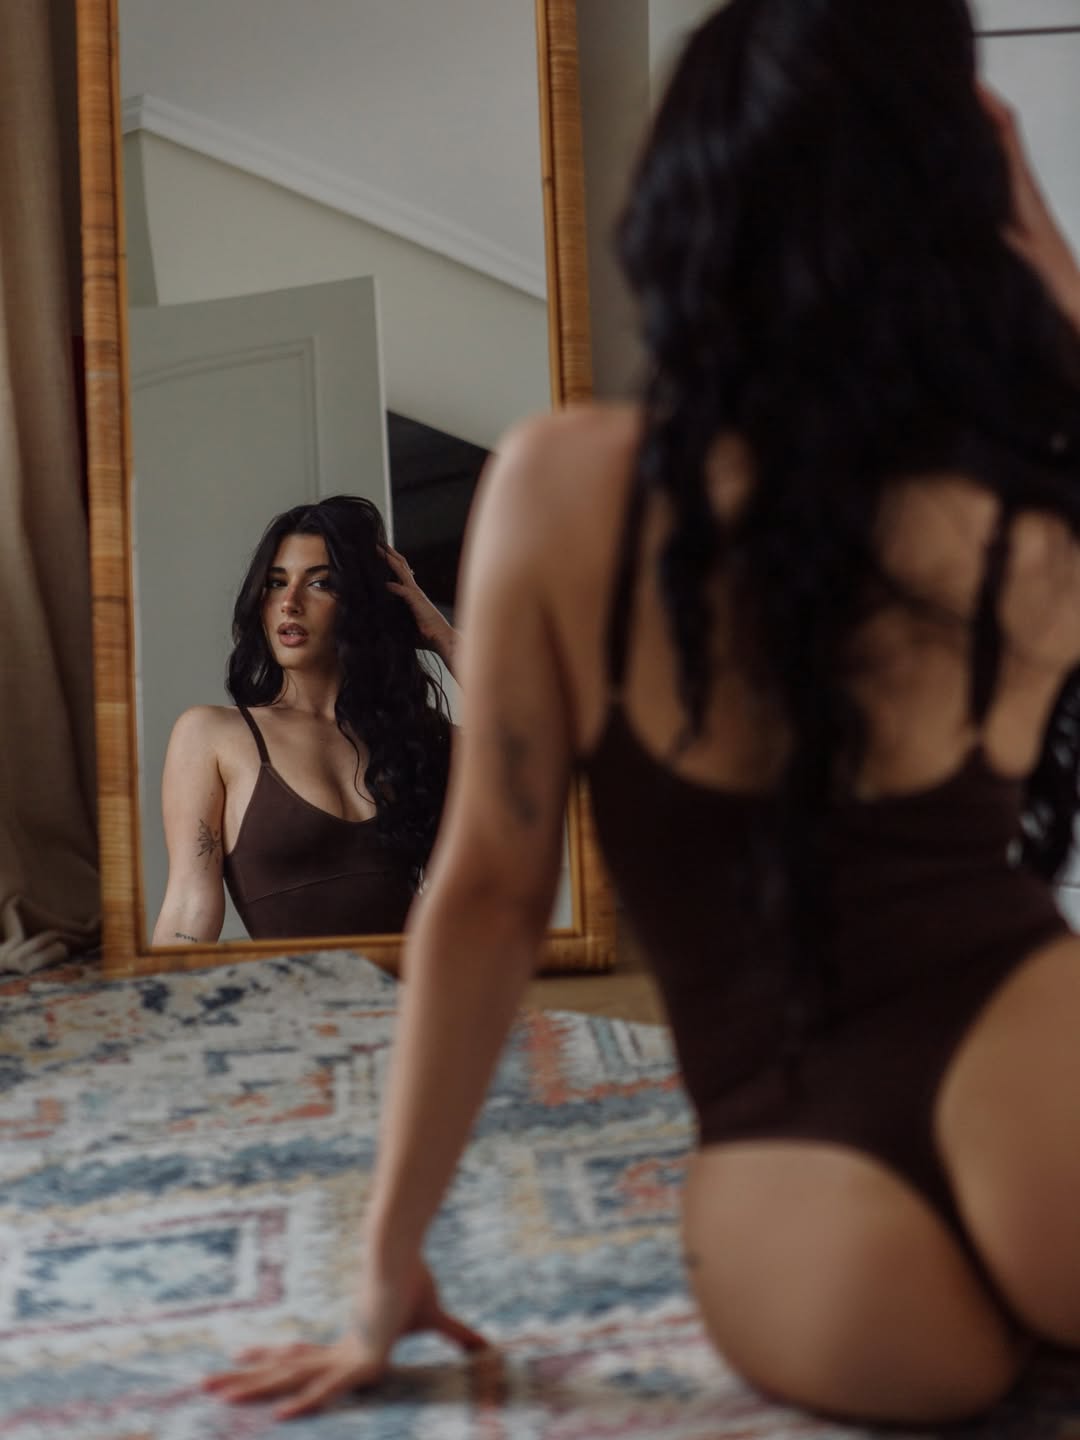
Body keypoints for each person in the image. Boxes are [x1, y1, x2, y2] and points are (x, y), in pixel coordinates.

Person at [203, 0, 1080, 1425]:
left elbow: (489, 899)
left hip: (820, 1215)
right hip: (1047, 1069)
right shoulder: (1026, 491)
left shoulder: (570, 486)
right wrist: (1043, 263)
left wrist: (385, 1264)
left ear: (686, 201)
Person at [151, 494, 457, 944]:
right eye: (276, 583)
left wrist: (440, 634)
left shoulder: (422, 740)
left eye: (320, 583)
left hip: (424, 982)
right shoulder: (213, 735)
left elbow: (542, 738)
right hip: (298, 989)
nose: (289, 602)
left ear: (360, 602)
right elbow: (188, 908)